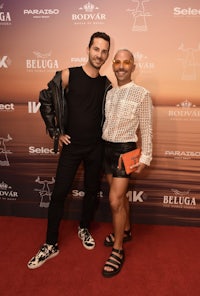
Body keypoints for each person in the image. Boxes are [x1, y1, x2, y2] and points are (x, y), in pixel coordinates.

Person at [27, 32, 112, 269]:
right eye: (96, 49)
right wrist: (55, 131)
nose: (100, 55)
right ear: (88, 49)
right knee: (58, 195)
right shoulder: (69, 74)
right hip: (72, 147)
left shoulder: (106, 84)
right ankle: (50, 244)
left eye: (104, 51)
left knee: (92, 191)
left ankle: (84, 227)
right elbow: (45, 98)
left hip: (96, 147)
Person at [101, 49, 153, 277]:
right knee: (120, 199)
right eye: (118, 62)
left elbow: (147, 128)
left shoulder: (141, 93)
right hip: (107, 150)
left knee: (114, 201)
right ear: (113, 64)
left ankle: (118, 249)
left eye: (126, 62)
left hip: (125, 152)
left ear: (133, 66)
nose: (121, 66)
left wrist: (146, 156)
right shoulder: (110, 93)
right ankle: (127, 229)